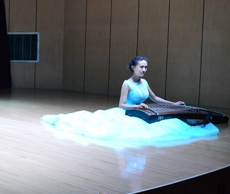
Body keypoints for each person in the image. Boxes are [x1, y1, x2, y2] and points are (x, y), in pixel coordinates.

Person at [40, 56, 219, 147]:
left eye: (146, 67)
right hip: (128, 113)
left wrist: (174, 104)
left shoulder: (145, 82)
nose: (144, 70)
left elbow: (155, 98)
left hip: (142, 111)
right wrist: (137, 106)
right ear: (133, 67)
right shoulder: (127, 83)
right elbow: (121, 105)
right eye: (141, 67)